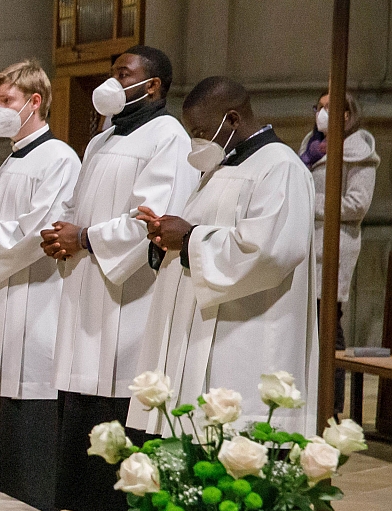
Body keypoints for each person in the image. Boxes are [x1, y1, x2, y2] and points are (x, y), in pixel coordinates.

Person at [40, 46, 193, 511]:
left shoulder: (168, 137)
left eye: (122, 73)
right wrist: (61, 231)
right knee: (86, 391)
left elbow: (151, 217)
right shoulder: (103, 139)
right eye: (111, 72)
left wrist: (85, 238)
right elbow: (77, 200)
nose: (111, 81)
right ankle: (95, 504)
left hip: (131, 292)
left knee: (121, 391)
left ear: (152, 86)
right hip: (88, 281)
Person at [128, 76, 318, 435]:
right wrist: (164, 238)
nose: (196, 141)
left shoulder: (280, 167)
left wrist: (189, 239)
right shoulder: (221, 169)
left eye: (200, 130)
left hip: (249, 333)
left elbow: (270, 252)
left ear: (231, 119)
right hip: (205, 329)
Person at [0, 60, 81, 511]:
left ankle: (30, 487)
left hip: (36, 291)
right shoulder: (14, 158)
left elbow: (46, 226)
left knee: (30, 378)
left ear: (34, 101)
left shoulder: (60, 158)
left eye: (7, 101)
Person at [299, 91, 378, 406]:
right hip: (305, 245)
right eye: (318, 106)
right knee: (309, 325)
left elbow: (357, 205)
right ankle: (308, 398)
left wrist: (310, 203)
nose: (321, 112)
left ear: (347, 114)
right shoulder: (311, 146)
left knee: (328, 322)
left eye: (329, 108)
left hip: (334, 246)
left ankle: (331, 404)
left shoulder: (360, 151)